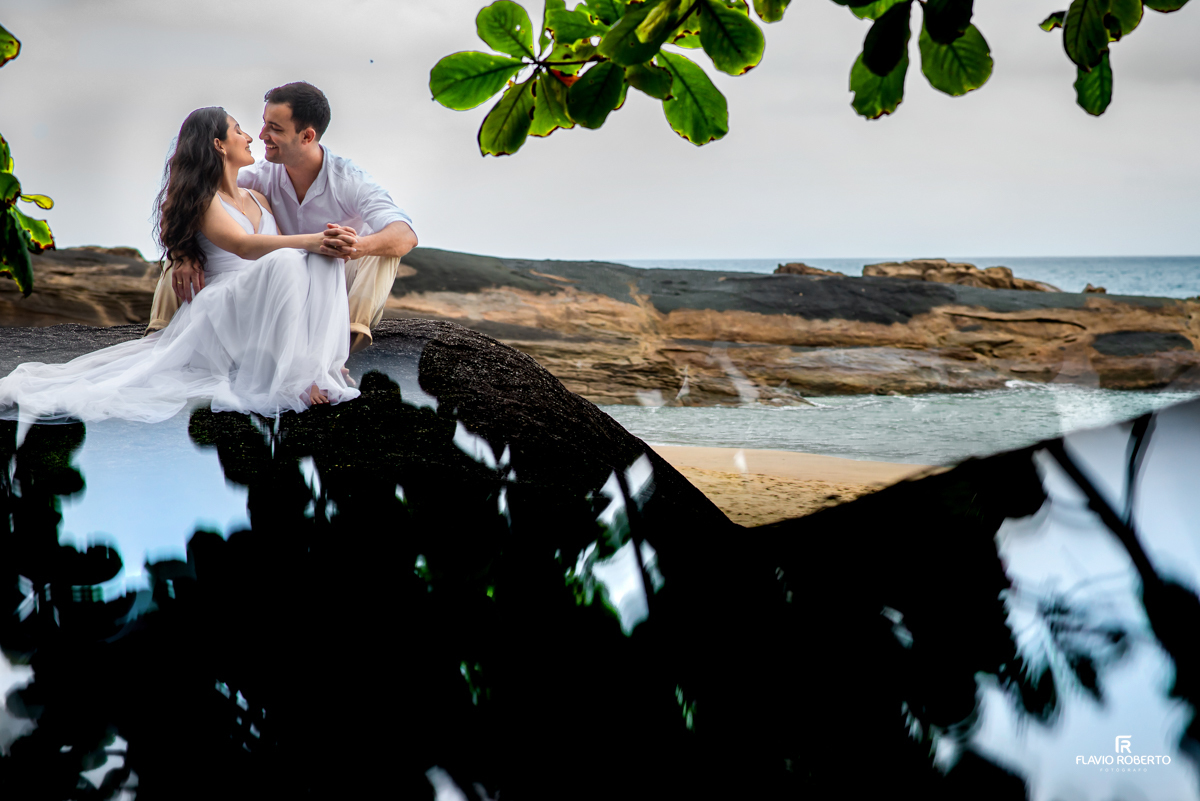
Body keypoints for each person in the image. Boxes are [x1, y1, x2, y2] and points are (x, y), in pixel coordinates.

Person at [0, 107, 360, 423]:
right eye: (238, 130)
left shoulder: (258, 197)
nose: (250, 137)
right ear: (219, 144)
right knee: (293, 256)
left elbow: (290, 266)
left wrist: (321, 246)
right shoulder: (205, 199)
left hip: (260, 305)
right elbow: (243, 246)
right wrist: (313, 238)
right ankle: (292, 379)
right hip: (223, 308)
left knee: (320, 260)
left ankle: (318, 366)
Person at [147, 82, 417, 355]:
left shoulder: (348, 181)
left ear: (307, 136)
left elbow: (406, 235)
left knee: (381, 246)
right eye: (264, 124)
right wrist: (182, 253)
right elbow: (186, 197)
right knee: (183, 252)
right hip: (276, 285)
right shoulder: (258, 177)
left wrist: (355, 247)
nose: (260, 135)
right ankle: (159, 333)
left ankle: (347, 337)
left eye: (275, 128)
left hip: (332, 281)